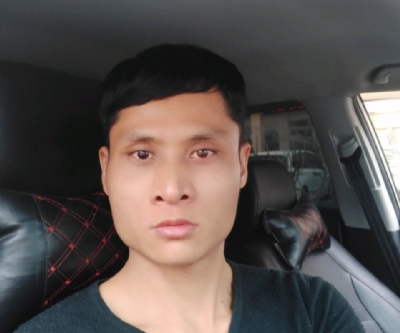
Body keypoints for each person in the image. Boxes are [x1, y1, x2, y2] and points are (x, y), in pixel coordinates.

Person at [15, 44, 364, 332]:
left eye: (203, 152)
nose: (171, 189)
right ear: (106, 171)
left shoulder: (313, 308)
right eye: (142, 154)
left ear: (241, 166)